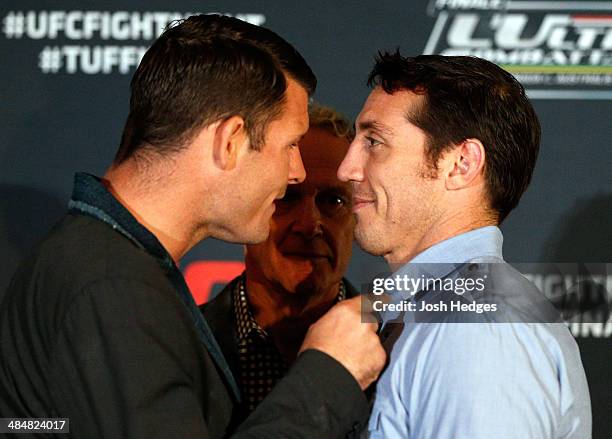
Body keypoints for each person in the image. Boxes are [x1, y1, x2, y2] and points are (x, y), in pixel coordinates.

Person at [0, 15, 385, 438]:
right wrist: (328, 375)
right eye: (290, 145)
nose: (295, 171)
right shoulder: (113, 285)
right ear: (231, 141)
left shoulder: (108, 266)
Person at [337, 52, 592, 438]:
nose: (346, 168)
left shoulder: (475, 327)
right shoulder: (436, 308)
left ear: (460, 164)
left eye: (373, 141)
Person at [202, 104, 358, 422]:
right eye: (286, 197)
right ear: (244, 205)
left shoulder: (398, 346)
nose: (310, 223)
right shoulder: (185, 342)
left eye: (333, 201)